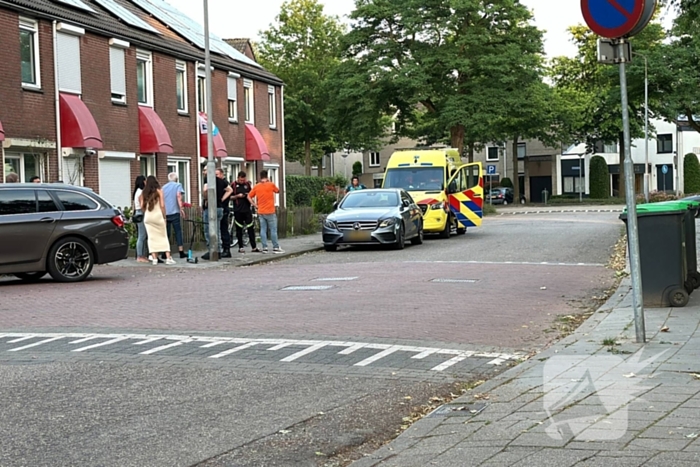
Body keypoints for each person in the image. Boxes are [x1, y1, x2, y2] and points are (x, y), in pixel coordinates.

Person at [139, 175, 175, 265]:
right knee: (163, 236)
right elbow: (162, 205)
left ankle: (154, 258)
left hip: (148, 217)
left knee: (151, 238)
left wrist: (147, 211)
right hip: (158, 216)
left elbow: (141, 206)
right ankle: (168, 258)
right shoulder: (159, 191)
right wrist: (164, 217)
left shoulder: (143, 193)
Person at [247, 170, 283, 254]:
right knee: (273, 230)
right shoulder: (271, 184)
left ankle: (265, 247)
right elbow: (278, 191)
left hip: (261, 211)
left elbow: (248, 196)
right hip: (270, 211)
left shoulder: (257, 186)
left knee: (263, 229)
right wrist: (269, 182)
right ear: (267, 176)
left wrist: (255, 205)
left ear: (260, 177)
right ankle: (275, 247)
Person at [201, 167, 232, 260]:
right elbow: (230, 190)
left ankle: (211, 250)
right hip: (219, 208)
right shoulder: (222, 181)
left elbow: (205, 190)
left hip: (211, 208)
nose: (204, 172)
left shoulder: (208, 179)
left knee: (208, 230)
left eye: (205, 170)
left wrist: (206, 198)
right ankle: (218, 250)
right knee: (217, 230)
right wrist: (222, 199)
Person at [231, 171, 260, 253]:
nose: (242, 182)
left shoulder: (247, 185)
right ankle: (241, 247)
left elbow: (250, 195)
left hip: (247, 210)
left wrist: (253, 204)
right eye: (241, 180)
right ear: (238, 178)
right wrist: (237, 196)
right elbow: (229, 197)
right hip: (238, 210)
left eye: (243, 180)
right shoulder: (233, 185)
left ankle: (254, 247)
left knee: (251, 228)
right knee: (239, 229)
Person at [162, 172, 187, 259]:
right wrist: (181, 208)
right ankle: (181, 251)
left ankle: (165, 252)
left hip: (166, 213)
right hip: (175, 211)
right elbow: (178, 196)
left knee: (166, 233)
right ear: (176, 179)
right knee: (178, 232)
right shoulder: (178, 185)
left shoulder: (163, 187)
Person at [132, 175, 149, 263]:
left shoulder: (136, 191)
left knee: (141, 235)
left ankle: (141, 255)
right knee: (142, 236)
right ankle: (140, 256)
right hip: (141, 213)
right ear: (142, 182)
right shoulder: (141, 192)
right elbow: (142, 205)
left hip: (137, 213)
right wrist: (146, 211)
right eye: (145, 181)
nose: (146, 183)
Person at [217, 169, 233, 257]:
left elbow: (230, 191)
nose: (216, 176)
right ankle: (224, 248)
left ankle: (226, 249)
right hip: (222, 208)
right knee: (221, 229)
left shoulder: (224, 183)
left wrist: (221, 200)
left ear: (222, 174)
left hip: (224, 208)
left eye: (217, 174)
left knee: (223, 229)